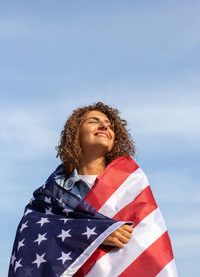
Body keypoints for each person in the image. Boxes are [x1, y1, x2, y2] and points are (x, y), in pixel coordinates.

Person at [8, 102, 177, 277]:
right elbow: (30, 235)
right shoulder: (52, 193)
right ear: (75, 134)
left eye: (110, 125)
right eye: (93, 121)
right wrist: (95, 234)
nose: (104, 126)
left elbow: (149, 240)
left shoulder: (131, 183)